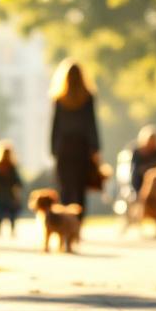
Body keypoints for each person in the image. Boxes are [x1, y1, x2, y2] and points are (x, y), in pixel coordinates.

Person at [50, 60, 100, 212]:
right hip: (82, 146)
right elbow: (91, 124)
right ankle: (77, 222)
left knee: (65, 186)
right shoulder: (88, 97)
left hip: (64, 146)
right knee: (80, 187)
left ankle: (65, 221)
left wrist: (53, 147)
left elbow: (55, 126)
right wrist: (95, 147)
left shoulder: (59, 98)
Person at [0, 140, 24, 237]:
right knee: (1, 212)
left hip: (9, 194)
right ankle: (1, 228)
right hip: (0, 194)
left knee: (11, 213)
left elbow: (18, 181)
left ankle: (11, 229)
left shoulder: (12, 167)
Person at [130, 126, 156, 197]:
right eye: (150, 141)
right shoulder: (137, 153)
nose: (152, 145)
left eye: (154, 142)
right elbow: (135, 171)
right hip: (139, 185)